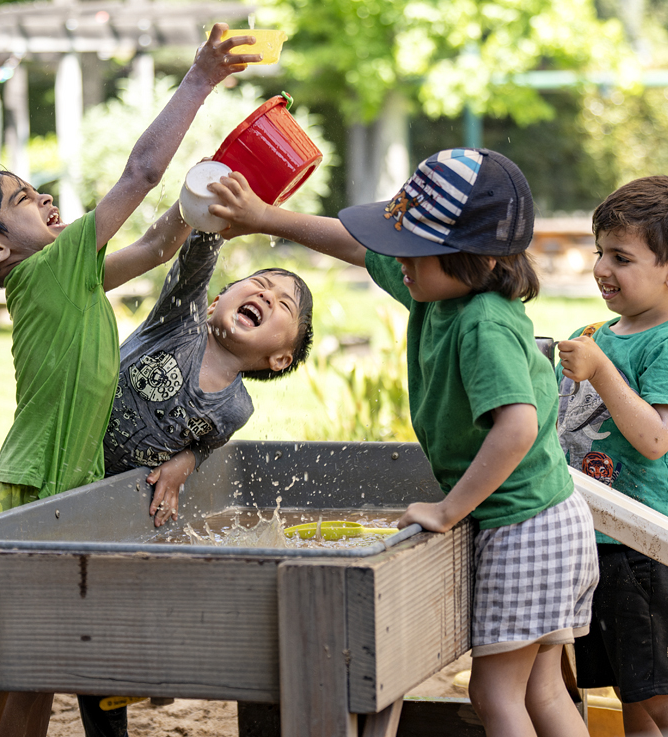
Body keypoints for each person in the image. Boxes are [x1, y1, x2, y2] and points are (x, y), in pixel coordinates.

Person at [0, 23, 260, 737]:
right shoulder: (47, 272)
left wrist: (205, 195)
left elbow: (153, 242)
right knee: (27, 674)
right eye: (24, 200)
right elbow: (139, 175)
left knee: (40, 668)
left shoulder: (68, 278)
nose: (45, 199)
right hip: (34, 490)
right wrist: (198, 81)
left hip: (59, 488)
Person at [210, 148, 599, 737]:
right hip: (549, 519)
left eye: (413, 250)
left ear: (474, 259)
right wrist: (265, 216)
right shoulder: (441, 288)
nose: (399, 260)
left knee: (495, 696)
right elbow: (355, 245)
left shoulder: (481, 325)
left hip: (524, 527)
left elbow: (516, 428)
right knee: (541, 690)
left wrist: (448, 509)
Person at [77, 223, 313, 737]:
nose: (265, 295)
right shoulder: (177, 325)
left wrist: (188, 460)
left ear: (280, 359)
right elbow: (195, 259)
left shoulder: (236, 407)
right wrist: (215, 214)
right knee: (85, 619)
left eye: (283, 305)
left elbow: (209, 438)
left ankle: (139, 680)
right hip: (72, 474)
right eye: (258, 283)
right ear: (214, 303)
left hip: (125, 509)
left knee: (113, 620)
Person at [555, 175, 668, 736]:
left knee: (663, 697)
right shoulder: (592, 331)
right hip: (591, 539)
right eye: (600, 252)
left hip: (647, 545)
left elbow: (654, 440)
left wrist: (601, 369)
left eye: (620, 257)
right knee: (631, 699)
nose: (601, 267)